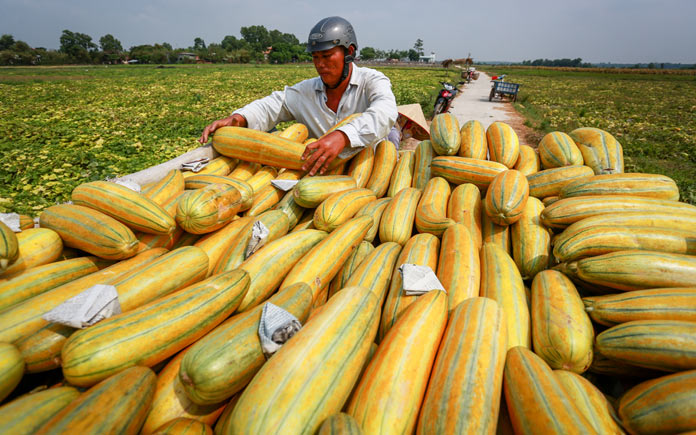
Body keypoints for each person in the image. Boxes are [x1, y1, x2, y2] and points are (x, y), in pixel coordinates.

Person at [198, 16, 399, 176]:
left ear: (349, 52)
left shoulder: (372, 81)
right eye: (315, 57)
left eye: (327, 56)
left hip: (365, 172)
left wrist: (343, 136)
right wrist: (239, 118)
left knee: (391, 135)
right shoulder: (306, 91)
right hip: (319, 174)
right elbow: (272, 105)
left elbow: (385, 112)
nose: (320, 64)